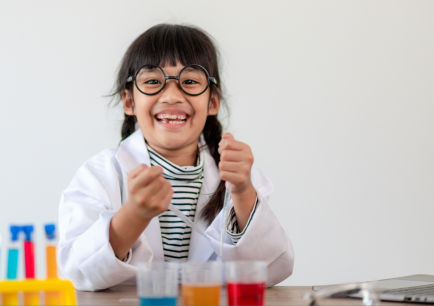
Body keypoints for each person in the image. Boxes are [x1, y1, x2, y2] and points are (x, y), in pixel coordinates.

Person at [58, 24, 294, 291]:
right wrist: (134, 215)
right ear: (129, 101)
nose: (171, 96)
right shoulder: (100, 174)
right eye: (152, 81)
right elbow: (76, 271)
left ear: (213, 102)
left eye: (190, 81)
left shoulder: (239, 176)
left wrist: (241, 192)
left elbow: (272, 269)